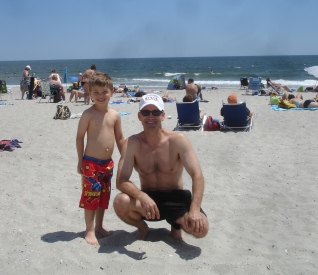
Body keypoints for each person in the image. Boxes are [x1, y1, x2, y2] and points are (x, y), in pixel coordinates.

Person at [113, 94, 209, 241]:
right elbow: (121, 180)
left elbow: (197, 175)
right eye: (146, 112)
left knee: (201, 230)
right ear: (139, 116)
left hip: (176, 198)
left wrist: (195, 210)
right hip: (149, 201)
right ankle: (143, 227)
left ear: (163, 115)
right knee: (120, 202)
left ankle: (176, 223)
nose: (150, 116)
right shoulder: (132, 143)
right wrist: (141, 196)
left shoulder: (178, 140)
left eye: (155, 112)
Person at [76, 71, 125, 245]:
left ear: (112, 92)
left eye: (104, 92)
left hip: (107, 164)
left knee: (103, 197)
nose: (100, 96)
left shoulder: (115, 115)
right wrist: (80, 160)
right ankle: (89, 230)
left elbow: (120, 139)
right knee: (90, 197)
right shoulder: (88, 114)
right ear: (89, 94)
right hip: (90, 163)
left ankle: (99, 226)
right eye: (95, 92)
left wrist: (125, 157)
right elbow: (80, 136)